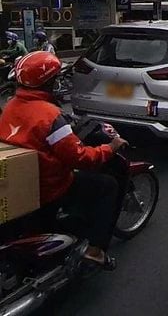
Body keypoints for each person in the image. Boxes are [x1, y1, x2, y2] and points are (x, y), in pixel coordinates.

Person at [0, 51, 127, 269]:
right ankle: (95, 250)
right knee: (108, 186)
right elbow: (81, 158)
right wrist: (110, 147)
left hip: (20, 181)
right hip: (50, 186)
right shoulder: (50, 116)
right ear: (50, 81)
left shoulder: (11, 106)